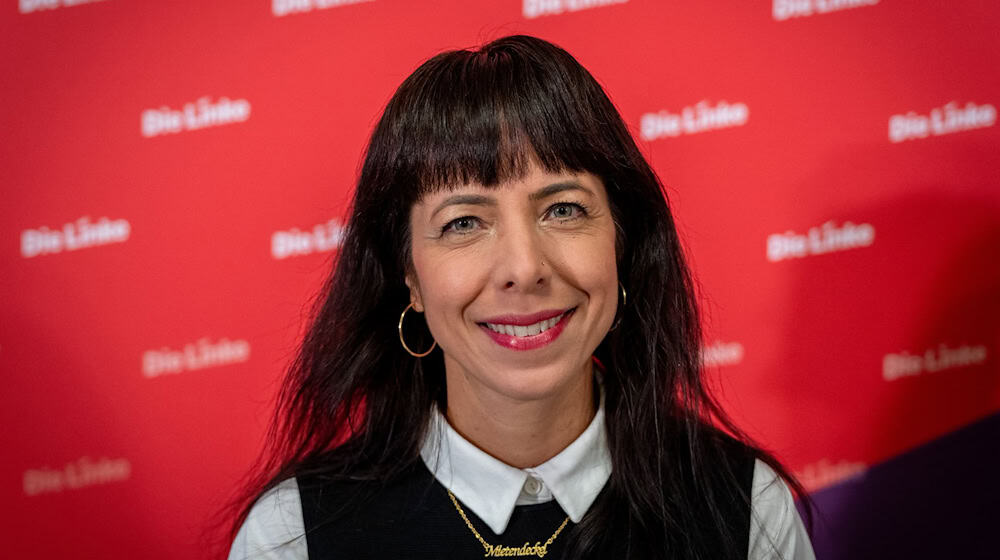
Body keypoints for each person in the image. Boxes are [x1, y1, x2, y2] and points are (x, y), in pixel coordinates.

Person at [226, 35, 815, 559]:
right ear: (410, 277)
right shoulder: (293, 535)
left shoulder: (745, 509)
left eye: (564, 210)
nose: (524, 268)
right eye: (463, 222)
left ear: (621, 243)